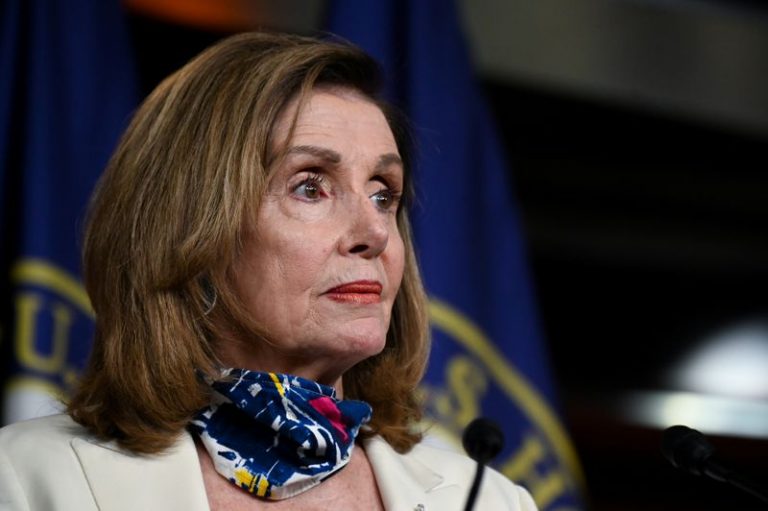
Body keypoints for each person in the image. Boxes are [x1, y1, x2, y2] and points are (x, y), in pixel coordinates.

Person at [0, 32, 538, 510]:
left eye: (383, 195)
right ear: (189, 226)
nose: (374, 232)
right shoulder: (25, 479)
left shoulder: (492, 502)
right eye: (310, 187)